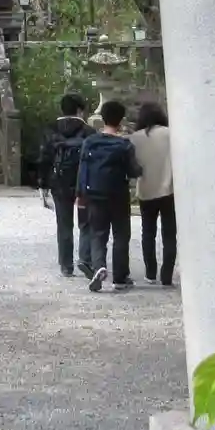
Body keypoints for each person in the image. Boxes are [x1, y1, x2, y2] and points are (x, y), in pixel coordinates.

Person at [76, 100, 141, 293]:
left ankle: (99, 267)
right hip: (118, 195)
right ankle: (120, 277)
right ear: (121, 120)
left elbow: (82, 170)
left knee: (98, 233)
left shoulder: (90, 142)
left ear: (102, 118)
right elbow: (133, 171)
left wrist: (80, 194)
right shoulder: (124, 145)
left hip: (95, 194)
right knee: (121, 235)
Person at [38, 93, 93, 277]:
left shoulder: (51, 129)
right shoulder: (88, 131)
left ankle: (66, 265)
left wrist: (43, 184)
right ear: (79, 110)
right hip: (84, 182)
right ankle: (85, 259)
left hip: (59, 181)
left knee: (64, 224)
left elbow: (44, 157)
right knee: (86, 223)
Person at [131, 101, 175, 287]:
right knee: (169, 234)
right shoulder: (170, 134)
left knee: (148, 233)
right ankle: (167, 275)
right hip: (168, 189)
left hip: (146, 189)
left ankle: (150, 273)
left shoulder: (135, 138)